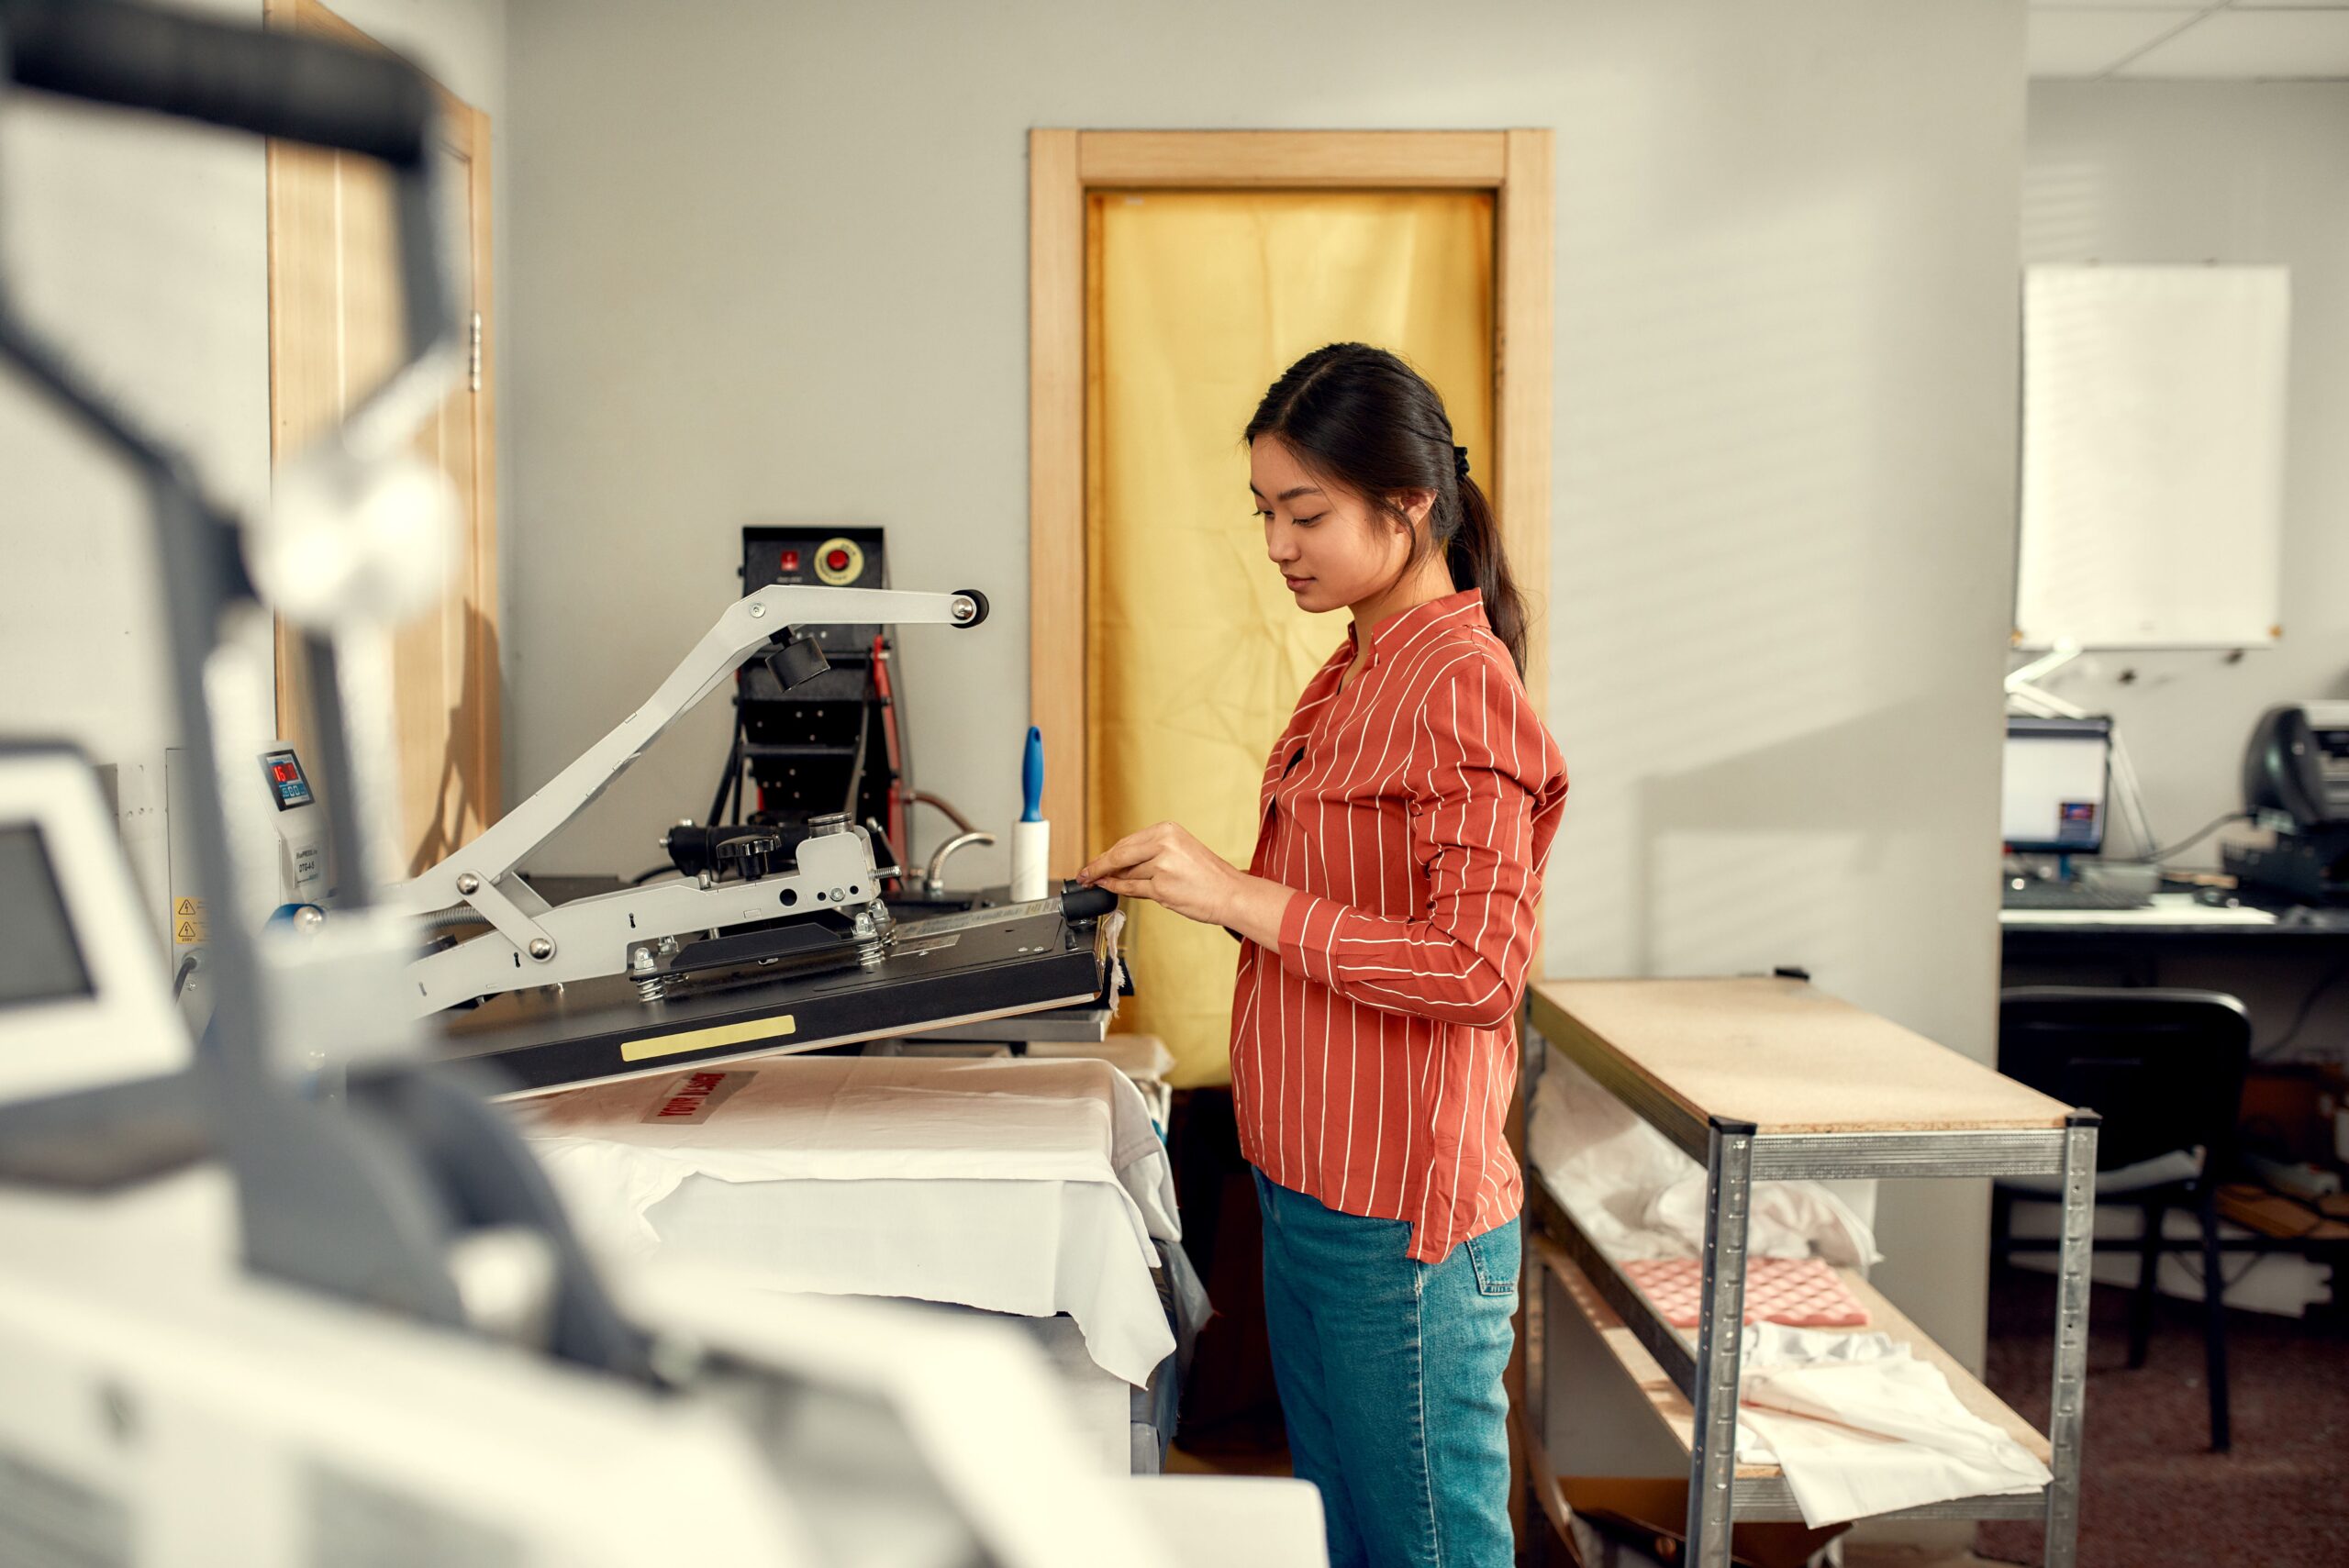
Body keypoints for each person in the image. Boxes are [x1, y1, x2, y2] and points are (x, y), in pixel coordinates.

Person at [1078, 342, 1570, 1568]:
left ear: (1408, 507)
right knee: (1340, 1533)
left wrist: (1239, 894)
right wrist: (1207, 888)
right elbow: (1345, 913)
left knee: (1426, 1546)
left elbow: (1477, 969)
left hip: (1398, 1214)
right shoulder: (1355, 669)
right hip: (1310, 1187)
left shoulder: (1460, 684)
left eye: (1307, 512)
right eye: (1266, 513)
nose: (1279, 543)